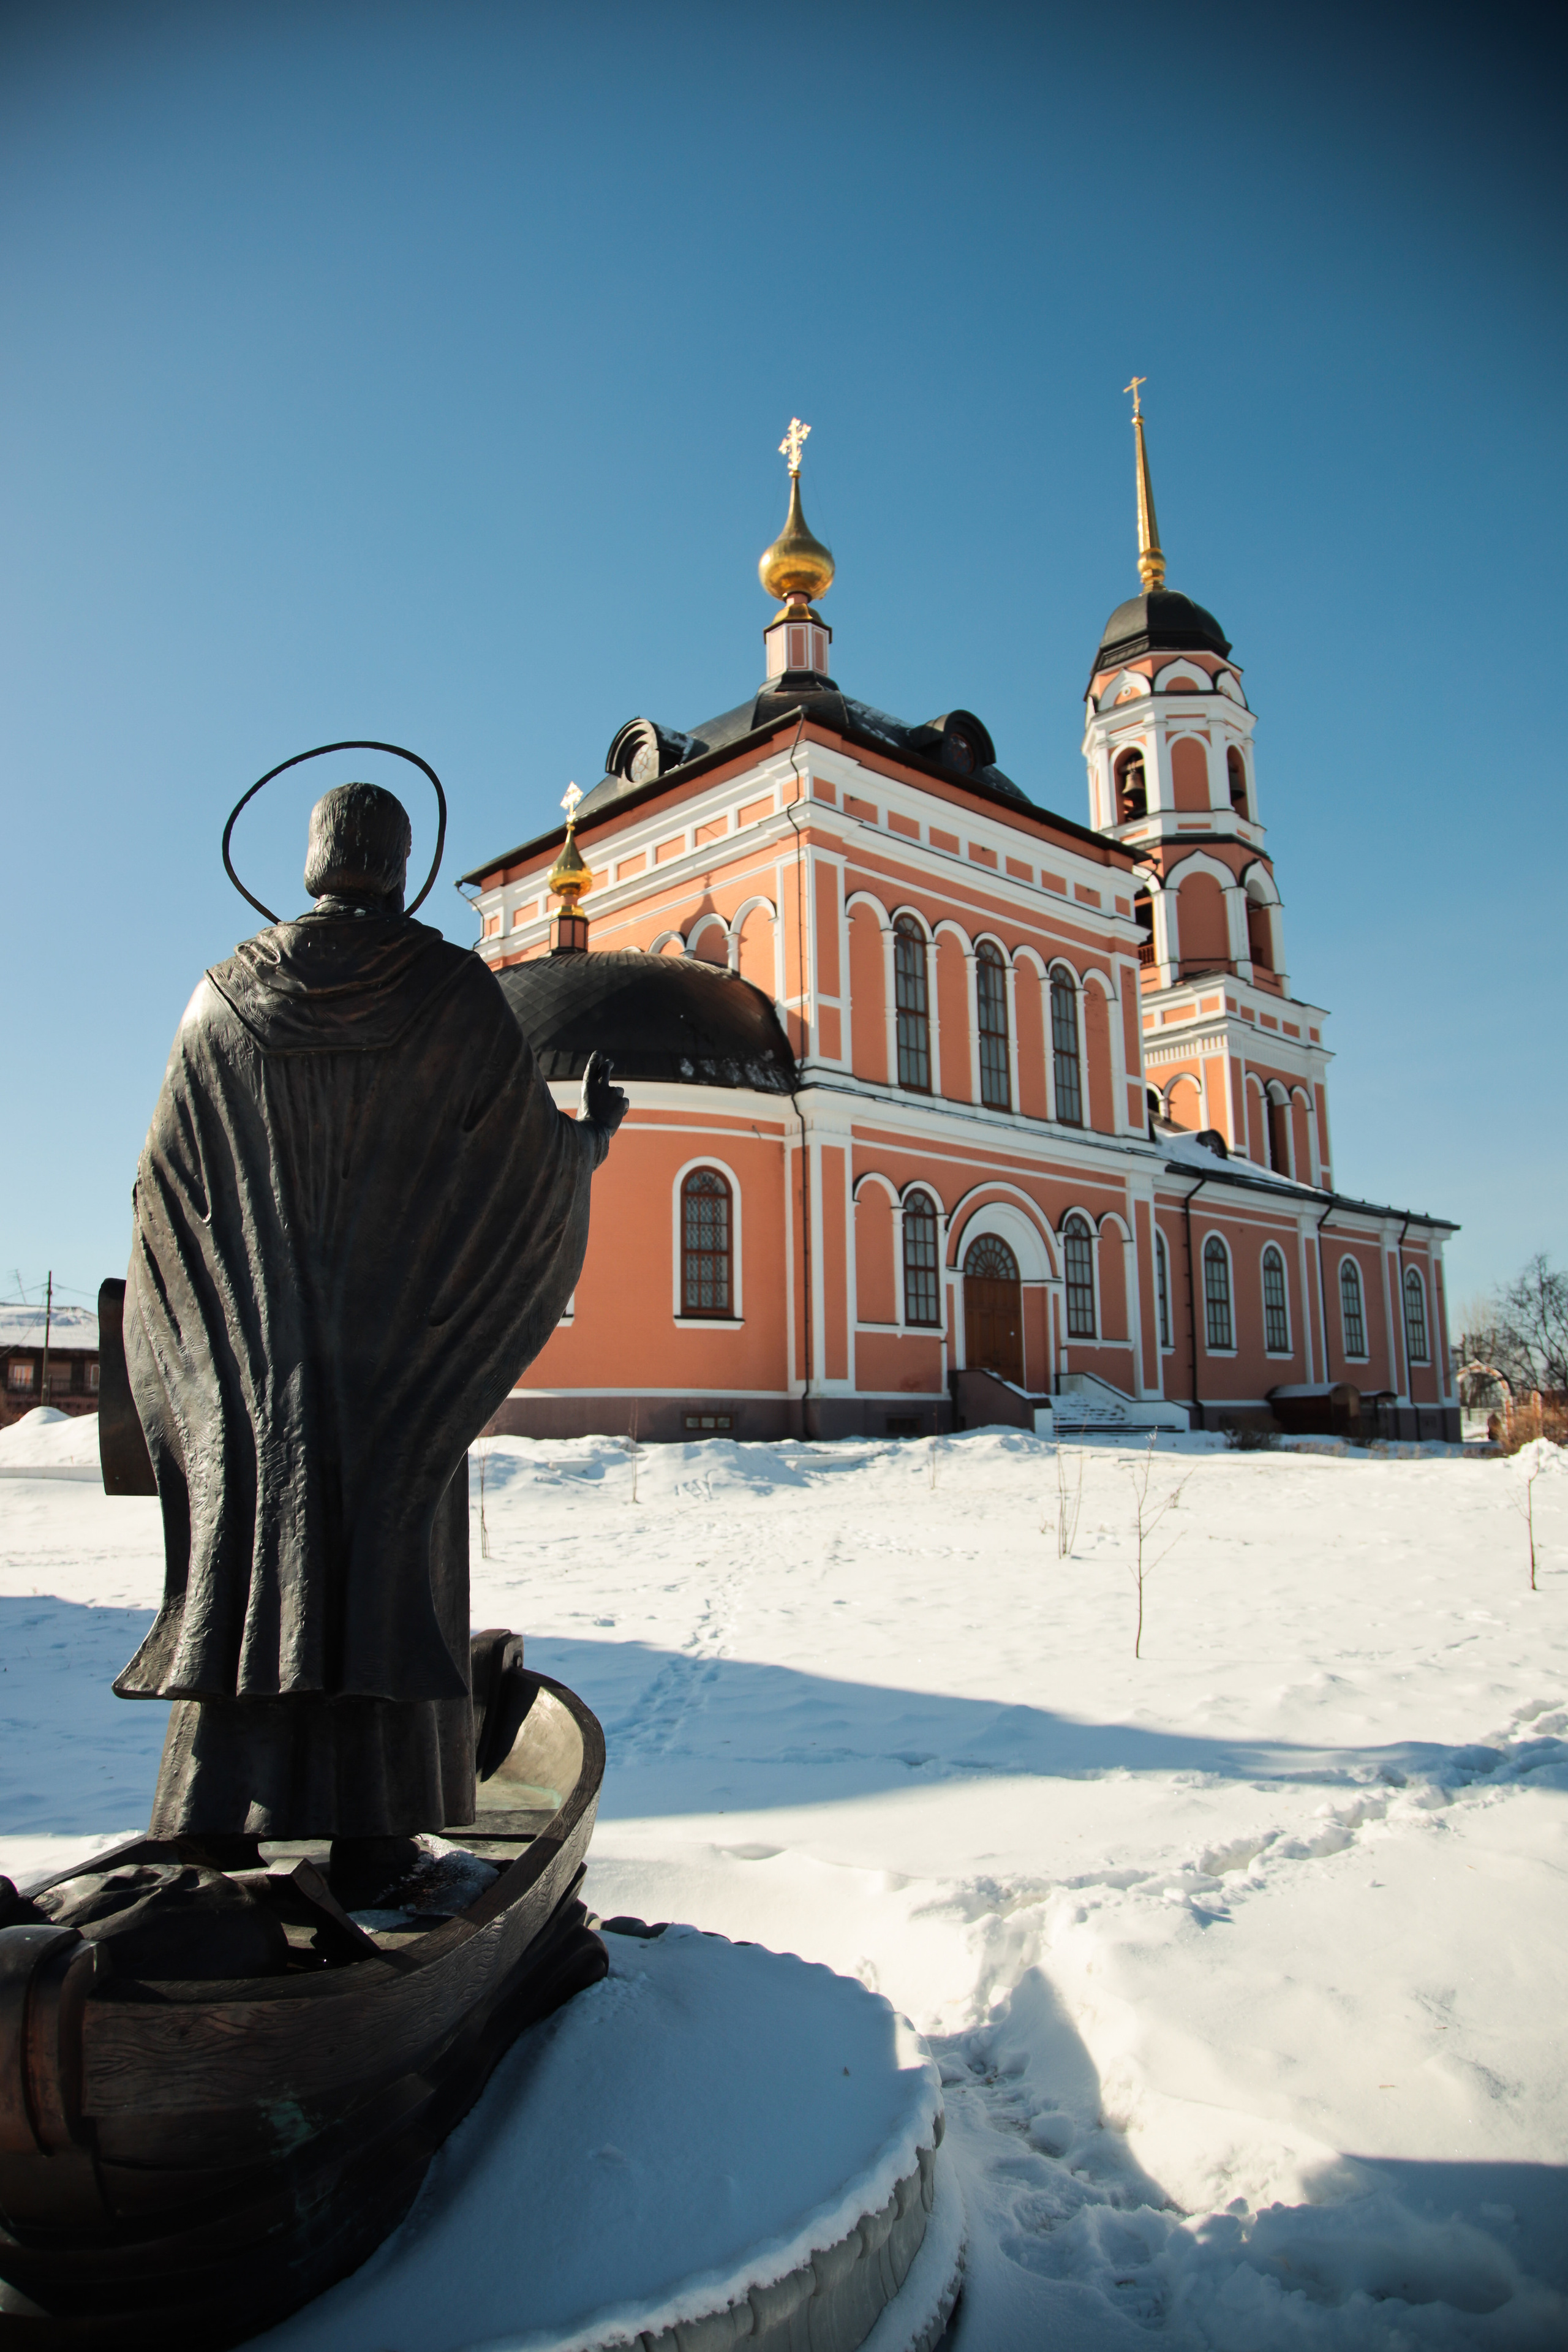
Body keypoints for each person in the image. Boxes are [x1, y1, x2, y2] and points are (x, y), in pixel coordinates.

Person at [115, 782, 626, 1888]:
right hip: (400, 1370)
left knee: (250, 1569)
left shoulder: (216, 1002)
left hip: (254, 1381)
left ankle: (209, 1818)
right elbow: (519, 1166)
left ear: (309, 864)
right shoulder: (450, 993)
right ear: (400, 867)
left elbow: (165, 1188)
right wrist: (587, 1143)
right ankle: (376, 1838)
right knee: (387, 1573)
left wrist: (209, 1357)